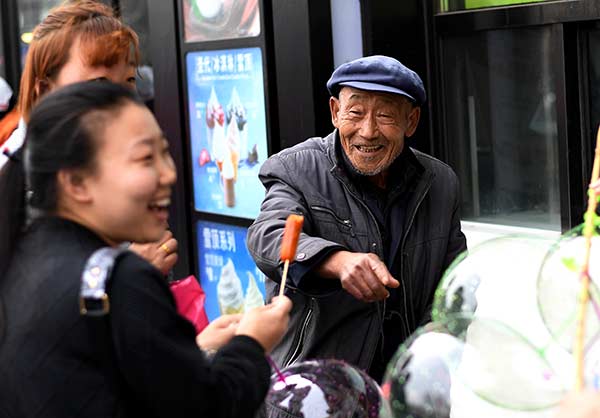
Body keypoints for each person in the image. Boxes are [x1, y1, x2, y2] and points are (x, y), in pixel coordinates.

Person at [0, 81, 292, 417]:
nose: (169, 174)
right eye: (145, 158)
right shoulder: (121, 278)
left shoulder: (22, 252)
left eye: (165, 153)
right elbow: (209, 407)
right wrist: (253, 344)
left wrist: (194, 349)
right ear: (76, 182)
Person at [247, 55, 467, 382]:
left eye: (386, 115)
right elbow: (267, 235)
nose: (368, 131)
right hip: (317, 389)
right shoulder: (296, 169)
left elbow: (455, 282)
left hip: (410, 386)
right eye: (356, 112)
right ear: (336, 112)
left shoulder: (440, 182)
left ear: (411, 121)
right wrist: (337, 261)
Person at [0, 0, 176, 275]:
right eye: (100, 84)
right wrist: (128, 271)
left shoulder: (108, 160)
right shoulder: (16, 178)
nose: (121, 100)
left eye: (129, 81)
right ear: (45, 90)